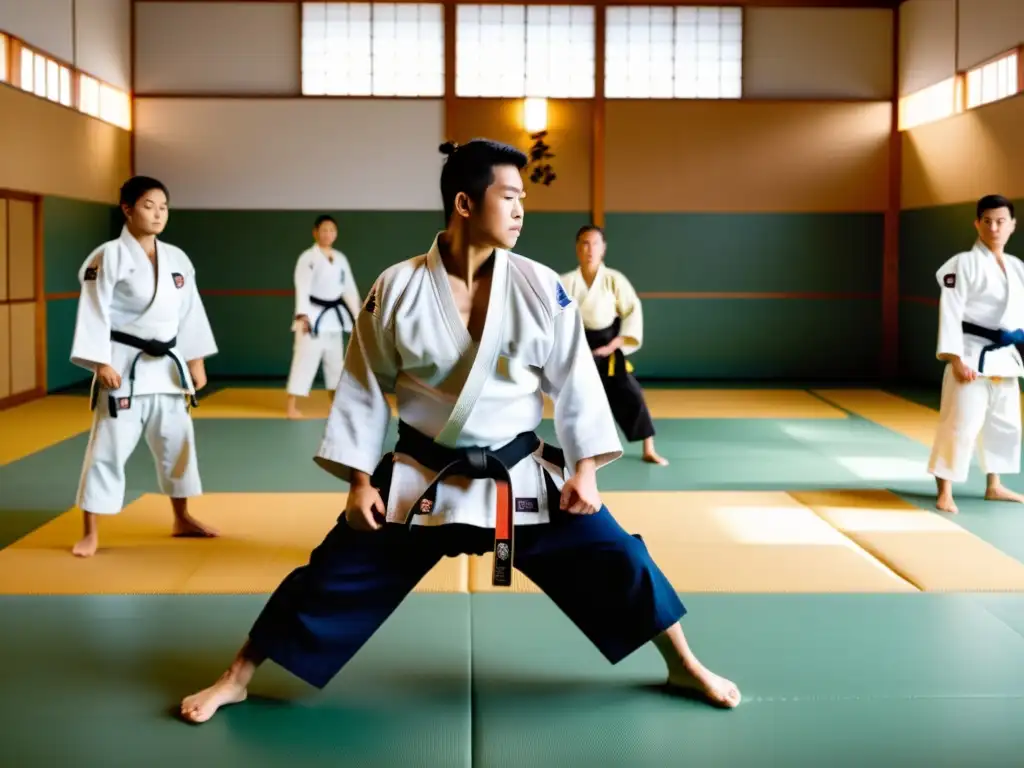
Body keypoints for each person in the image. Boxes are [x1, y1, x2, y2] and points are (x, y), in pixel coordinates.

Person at [179, 138, 740, 725]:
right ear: (466, 204)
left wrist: (585, 470)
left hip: (518, 477)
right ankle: (236, 677)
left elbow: (576, 380)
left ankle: (682, 662)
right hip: (423, 479)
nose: (522, 210)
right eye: (509, 197)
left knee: (619, 556)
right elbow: (363, 387)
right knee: (330, 574)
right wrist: (357, 483)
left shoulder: (540, 285)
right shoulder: (394, 287)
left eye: (524, 198)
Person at [69, 176, 219, 558]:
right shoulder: (107, 256)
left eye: (163, 207)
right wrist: (100, 362)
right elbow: (94, 312)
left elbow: (191, 313)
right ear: (127, 209)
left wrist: (195, 360)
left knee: (178, 444)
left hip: (168, 371)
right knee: (108, 447)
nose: (157, 213)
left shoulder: (178, 259)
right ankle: (90, 531)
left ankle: (182, 518)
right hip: (123, 367)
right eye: (149, 205)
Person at [929, 194, 1024, 513]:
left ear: (1012, 225)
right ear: (977, 224)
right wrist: (956, 359)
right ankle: (945, 490)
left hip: (1006, 359)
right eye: (988, 221)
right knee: (960, 423)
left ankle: (994, 485)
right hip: (970, 354)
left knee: (1005, 423)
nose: (995, 227)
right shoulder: (962, 263)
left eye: (1001, 221)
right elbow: (951, 311)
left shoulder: (1017, 267)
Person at [561, 226, 667, 465]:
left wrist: (612, 346)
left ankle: (648, 447)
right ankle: (582, 452)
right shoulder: (565, 282)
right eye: (584, 244)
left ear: (603, 248)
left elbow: (631, 313)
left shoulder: (614, 280)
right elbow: (557, 318)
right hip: (579, 349)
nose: (590, 250)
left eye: (595, 244)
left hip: (609, 348)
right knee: (578, 401)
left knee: (631, 393)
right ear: (577, 248)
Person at [285, 215, 361, 419]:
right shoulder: (307, 258)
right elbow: (302, 286)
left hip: (334, 319)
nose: (328, 234)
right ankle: (291, 406)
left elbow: (349, 289)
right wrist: (302, 315)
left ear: (336, 233)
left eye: (332, 230)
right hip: (312, 316)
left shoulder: (341, 258)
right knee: (304, 360)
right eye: (324, 229)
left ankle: (336, 406)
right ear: (315, 232)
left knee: (336, 363)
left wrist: (358, 315)